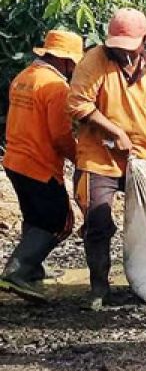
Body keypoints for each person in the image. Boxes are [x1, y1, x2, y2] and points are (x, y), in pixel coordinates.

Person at [66, 8, 146, 310]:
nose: (122, 51)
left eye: (129, 45)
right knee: (98, 220)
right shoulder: (94, 61)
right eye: (117, 44)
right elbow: (78, 103)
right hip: (98, 157)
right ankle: (99, 287)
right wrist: (114, 130)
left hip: (142, 159)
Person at [0, 30, 85, 303]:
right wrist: (80, 157)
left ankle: (33, 269)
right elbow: (60, 136)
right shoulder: (57, 88)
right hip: (39, 164)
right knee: (59, 220)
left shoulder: (24, 78)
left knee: (35, 217)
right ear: (65, 61)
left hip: (15, 160)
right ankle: (17, 271)